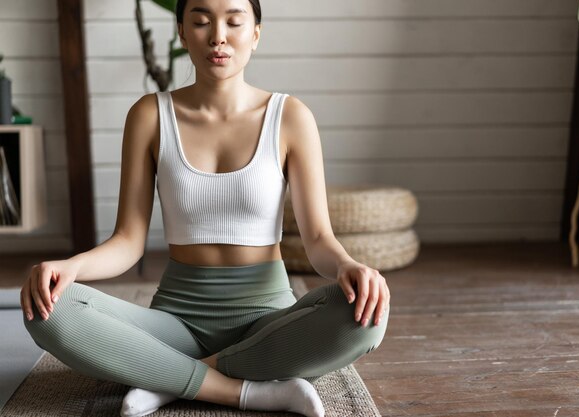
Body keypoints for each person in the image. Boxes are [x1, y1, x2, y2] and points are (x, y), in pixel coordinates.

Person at [19, 0, 390, 416]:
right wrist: (71, 268)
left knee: (367, 313)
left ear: (255, 34)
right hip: (176, 323)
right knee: (47, 311)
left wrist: (346, 267)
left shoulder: (290, 117)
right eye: (200, 21)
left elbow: (319, 239)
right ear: (181, 32)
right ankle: (248, 389)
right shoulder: (149, 115)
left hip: (270, 321)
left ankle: (174, 378)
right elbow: (127, 242)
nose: (218, 36)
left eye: (234, 21)